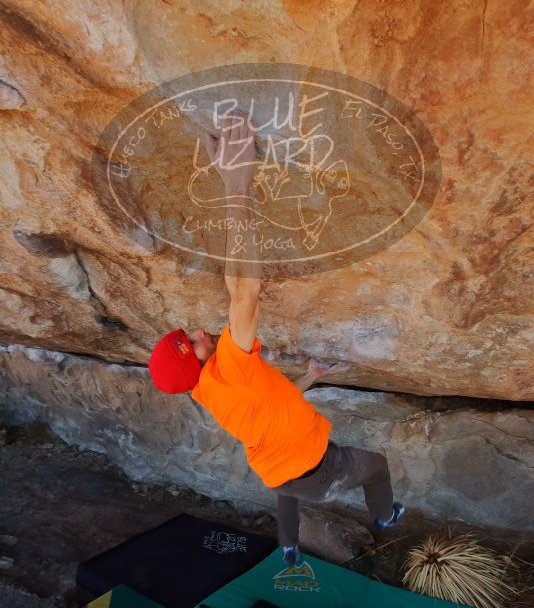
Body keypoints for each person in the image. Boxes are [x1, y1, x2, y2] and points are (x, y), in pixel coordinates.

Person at [148, 111, 403, 568]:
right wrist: (235, 182)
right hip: (317, 469)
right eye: (194, 342)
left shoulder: (214, 391)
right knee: (375, 464)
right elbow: (244, 289)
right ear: (198, 363)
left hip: (276, 467)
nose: (200, 332)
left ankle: (288, 544)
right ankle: (385, 516)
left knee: (286, 490)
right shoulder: (230, 364)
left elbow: (275, 405)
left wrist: (310, 376)